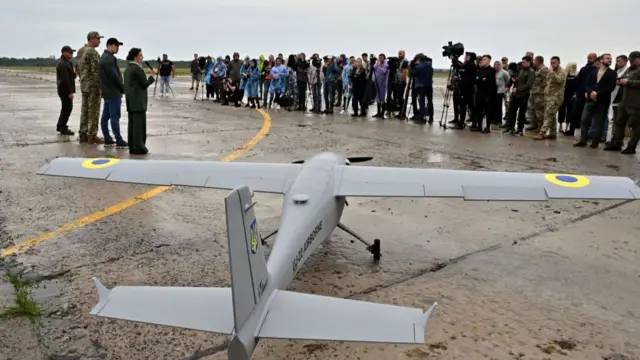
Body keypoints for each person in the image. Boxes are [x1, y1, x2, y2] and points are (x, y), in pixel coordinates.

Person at [574, 53, 617, 148]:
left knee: (599, 122)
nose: (610, 60)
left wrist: (598, 93)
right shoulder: (593, 72)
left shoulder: (612, 73)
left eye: (611, 59)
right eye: (607, 58)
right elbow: (587, 84)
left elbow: (611, 87)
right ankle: (583, 140)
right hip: (590, 99)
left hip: (602, 101)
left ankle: (595, 142)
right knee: (584, 120)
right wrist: (590, 92)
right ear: (601, 60)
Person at [604, 51, 640, 154]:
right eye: (631, 60)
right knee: (619, 122)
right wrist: (619, 81)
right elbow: (622, 77)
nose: (632, 62)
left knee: (635, 126)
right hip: (624, 101)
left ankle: (631, 147)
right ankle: (617, 143)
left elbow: (630, 81)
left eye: (634, 60)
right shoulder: (629, 69)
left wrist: (628, 82)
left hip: (636, 103)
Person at [123, 47, 155, 155]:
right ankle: (139, 147)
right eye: (140, 55)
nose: (142, 57)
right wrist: (151, 77)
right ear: (135, 57)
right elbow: (144, 84)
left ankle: (132, 146)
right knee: (139, 127)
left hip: (131, 101)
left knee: (132, 125)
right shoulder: (137, 69)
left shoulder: (128, 69)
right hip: (138, 101)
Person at [76, 31, 104, 144]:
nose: (99, 41)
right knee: (94, 111)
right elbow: (96, 71)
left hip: (84, 84)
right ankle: (92, 135)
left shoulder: (81, 51)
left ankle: (83, 133)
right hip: (93, 86)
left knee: (84, 110)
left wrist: (83, 78)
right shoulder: (92, 52)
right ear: (91, 39)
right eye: (97, 38)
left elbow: (77, 68)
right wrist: (100, 86)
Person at [99, 37, 127, 148]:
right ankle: (118, 140)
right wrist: (122, 89)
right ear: (109, 45)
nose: (118, 48)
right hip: (113, 92)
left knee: (106, 116)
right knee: (114, 117)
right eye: (116, 45)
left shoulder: (106, 57)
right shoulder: (108, 59)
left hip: (107, 92)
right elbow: (114, 76)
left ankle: (107, 138)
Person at [533, 56, 566, 140]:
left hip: (555, 98)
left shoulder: (561, 72)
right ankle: (553, 133)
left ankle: (542, 133)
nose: (552, 64)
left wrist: (552, 73)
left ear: (559, 63)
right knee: (552, 116)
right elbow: (547, 81)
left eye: (554, 63)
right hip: (548, 97)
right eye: (551, 63)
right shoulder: (551, 72)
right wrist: (543, 84)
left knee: (548, 116)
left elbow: (559, 80)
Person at [503, 56, 535, 136]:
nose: (522, 63)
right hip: (515, 94)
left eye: (524, 62)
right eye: (522, 62)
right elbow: (513, 78)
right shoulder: (519, 69)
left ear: (529, 62)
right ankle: (511, 127)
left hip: (523, 95)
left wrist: (518, 89)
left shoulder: (531, 72)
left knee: (522, 113)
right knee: (512, 111)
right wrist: (508, 86)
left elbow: (528, 84)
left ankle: (520, 129)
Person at [472, 55, 497, 133]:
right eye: (482, 59)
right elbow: (477, 80)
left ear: (489, 61)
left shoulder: (492, 70)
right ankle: (479, 126)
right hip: (479, 93)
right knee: (479, 111)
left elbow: (488, 82)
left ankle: (487, 127)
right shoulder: (480, 70)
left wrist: (481, 80)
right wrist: (481, 80)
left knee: (487, 112)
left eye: (484, 59)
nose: (482, 61)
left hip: (487, 94)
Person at [55, 45, 76, 136]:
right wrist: (69, 92)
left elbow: (71, 76)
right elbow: (65, 80)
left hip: (64, 89)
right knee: (67, 108)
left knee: (65, 108)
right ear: (65, 52)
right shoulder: (63, 63)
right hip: (65, 90)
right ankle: (63, 127)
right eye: (70, 52)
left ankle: (60, 125)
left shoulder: (67, 62)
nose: (72, 54)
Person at [525, 56, 549, 132]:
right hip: (534, 92)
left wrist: (543, 86)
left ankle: (541, 126)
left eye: (535, 61)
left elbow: (547, 80)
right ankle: (534, 124)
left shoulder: (544, 69)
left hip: (540, 94)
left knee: (539, 111)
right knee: (532, 109)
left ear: (538, 61)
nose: (534, 62)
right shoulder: (537, 69)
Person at [409, 53, 433, 124]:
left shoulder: (419, 66)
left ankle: (421, 118)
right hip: (429, 85)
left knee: (422, 102)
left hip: (422, 86)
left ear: (418, 59)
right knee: (430, 102)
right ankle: (431, 118)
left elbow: (411, 73)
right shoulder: (429, 65)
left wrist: (411, 65)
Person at [558, 62, 577, 134]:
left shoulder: (576, 77)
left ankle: (566, 127)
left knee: (570, 112)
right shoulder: (564, 76)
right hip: (563, 96)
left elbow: (576, 87)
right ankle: (560, 126)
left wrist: (575, 95)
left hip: (571, 97)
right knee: (561, 111)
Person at [493, 60, 511, 126]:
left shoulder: (504, 72)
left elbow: (508, 80)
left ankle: (498, 120)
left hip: (501, 91)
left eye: (498, 64)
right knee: (493, 106)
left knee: (498, 106)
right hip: (494, 91)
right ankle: (493, 119)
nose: (496, 65)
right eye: (495, 64)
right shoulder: (493, 72)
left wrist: (506, 87)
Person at [372, 54, 389, 118]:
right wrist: (376, 63)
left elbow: (383, 71)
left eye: (381, 58)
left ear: (384, 58)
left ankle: (382, 113)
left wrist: (379, 66)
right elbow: (373, 68)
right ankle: (378, 112)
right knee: (378, 98)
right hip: (377, 83)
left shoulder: (386, 64)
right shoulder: (377, 64)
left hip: (383, 84)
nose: (380, 59)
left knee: (382, 98)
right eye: (379, 58)